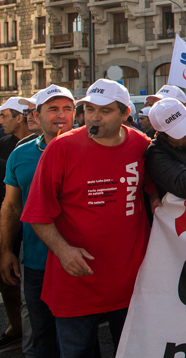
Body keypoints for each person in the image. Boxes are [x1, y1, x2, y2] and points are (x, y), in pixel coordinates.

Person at [21, 79, 158, 357]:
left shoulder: (141, 145)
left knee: (132, 350)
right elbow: (37, 213)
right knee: (77, 352)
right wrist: (63, 251)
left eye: (105, 111)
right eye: (89, 108)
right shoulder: (61, 148)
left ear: (125, 114)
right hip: (76, 280)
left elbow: (158, 192)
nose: (94, 117)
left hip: (131, 280)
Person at [1, 85, 75, 358]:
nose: (61, 115)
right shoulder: (20, 155)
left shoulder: (92, 149)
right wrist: (6, 250)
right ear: (36, 114)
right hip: (36, 263)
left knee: (81, 340)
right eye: (53, 109)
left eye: (68, 109)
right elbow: (10, 206)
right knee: (42, 337)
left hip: (81, 261)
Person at [0, 97, 31, 349]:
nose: (0, 122)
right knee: (8, 282)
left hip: (34, 230)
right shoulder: (5, 146)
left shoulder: (43, 146)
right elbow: (9, 203)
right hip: (12, 225)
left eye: (4, 116)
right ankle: (17, 327)